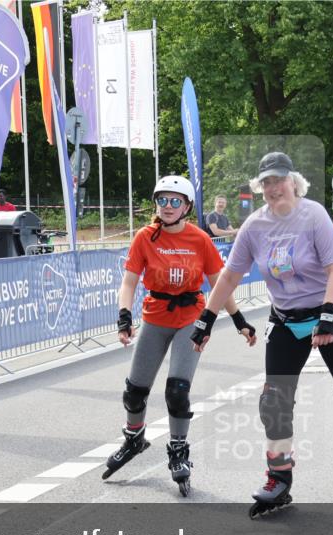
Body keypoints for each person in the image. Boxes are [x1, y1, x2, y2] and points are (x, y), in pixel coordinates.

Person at [191, 152, 333, 517]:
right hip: (285, 319)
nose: (272, 188)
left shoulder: (313, 214)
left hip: (331, 312)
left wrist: (328, 316)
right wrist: (205, 319)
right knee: (274, 403)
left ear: (293, 182)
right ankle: (279, 478)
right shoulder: (254, 226)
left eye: (278, 180)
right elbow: (229, 277)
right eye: (265, 182)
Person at [102, 175, 257, 496]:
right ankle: (134, 438)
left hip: (190, 319)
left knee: (177, 391)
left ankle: (178, 450)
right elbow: (129, 281)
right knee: (134, 392)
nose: (168, 207)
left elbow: (220, 284)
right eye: (163, 200)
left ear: (186, 206)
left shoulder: (200, 240)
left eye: (175, 201)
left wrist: (239, 319)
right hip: (155, 317)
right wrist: (123, 316)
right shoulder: (145, 237)